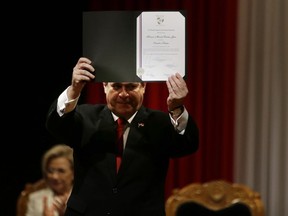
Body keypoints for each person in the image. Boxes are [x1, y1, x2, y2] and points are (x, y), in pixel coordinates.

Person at [45, 57, 199, 216]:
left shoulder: (160, 123)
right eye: (116, 86)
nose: (123, 94)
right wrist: (74, 89)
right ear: (105, 86)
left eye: (131, 87)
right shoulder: (85, 116)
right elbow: (55, 126)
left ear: (143, 87)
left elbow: (188, 144)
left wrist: (177, 108)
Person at [26, 144, 74, 216]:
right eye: (50, 171)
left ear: (73, 173)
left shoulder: (83, 198)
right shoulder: (36, 199)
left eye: (61, 171)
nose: (54, 177)